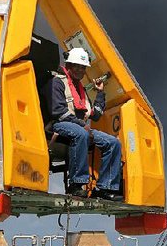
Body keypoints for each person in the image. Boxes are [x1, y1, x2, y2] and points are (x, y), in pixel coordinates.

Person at [44, 47, 122, 201]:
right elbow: (58, 111)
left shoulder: (81, 90)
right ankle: (77, 184)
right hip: (59, 124)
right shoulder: (57, 83)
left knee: (113, 143)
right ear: (69, 65)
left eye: (82, 67)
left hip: (80, 126)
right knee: (81, 134)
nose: (80, 70)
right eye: (77, 66)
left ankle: (105, 188)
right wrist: (82, 125)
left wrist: (100, 93)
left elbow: (96, 114)